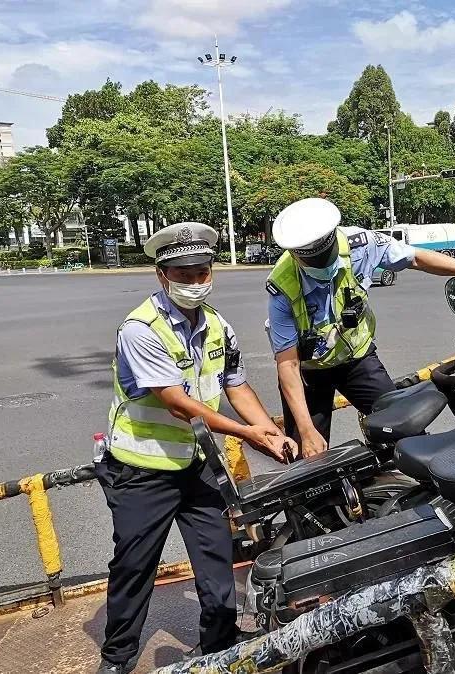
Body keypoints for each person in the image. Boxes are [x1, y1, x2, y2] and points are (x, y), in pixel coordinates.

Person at [96, 223, 295, 674]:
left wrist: (268, 429)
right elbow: (178, 403)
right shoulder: (139, 329)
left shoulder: (217, 325)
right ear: (161, 275)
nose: (194, 281)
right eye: (182, 274)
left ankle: (220, 646)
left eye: (201, 271)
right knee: (134, 567)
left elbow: (236, 385)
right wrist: (247, 436)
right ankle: (117, 660)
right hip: (142, 470)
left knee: (216, 557)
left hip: (197, 464)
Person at [266, 197, 455, 458]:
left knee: (405, 430)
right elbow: (287, 364)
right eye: (315, 263)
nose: (325, 266)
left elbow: (415, 257)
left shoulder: (361, 244)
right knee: (307, 455)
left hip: (358, 360)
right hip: (308, 373)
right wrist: (306, 429)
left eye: (327, 257)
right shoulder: (282, 287)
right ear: (295, 255)